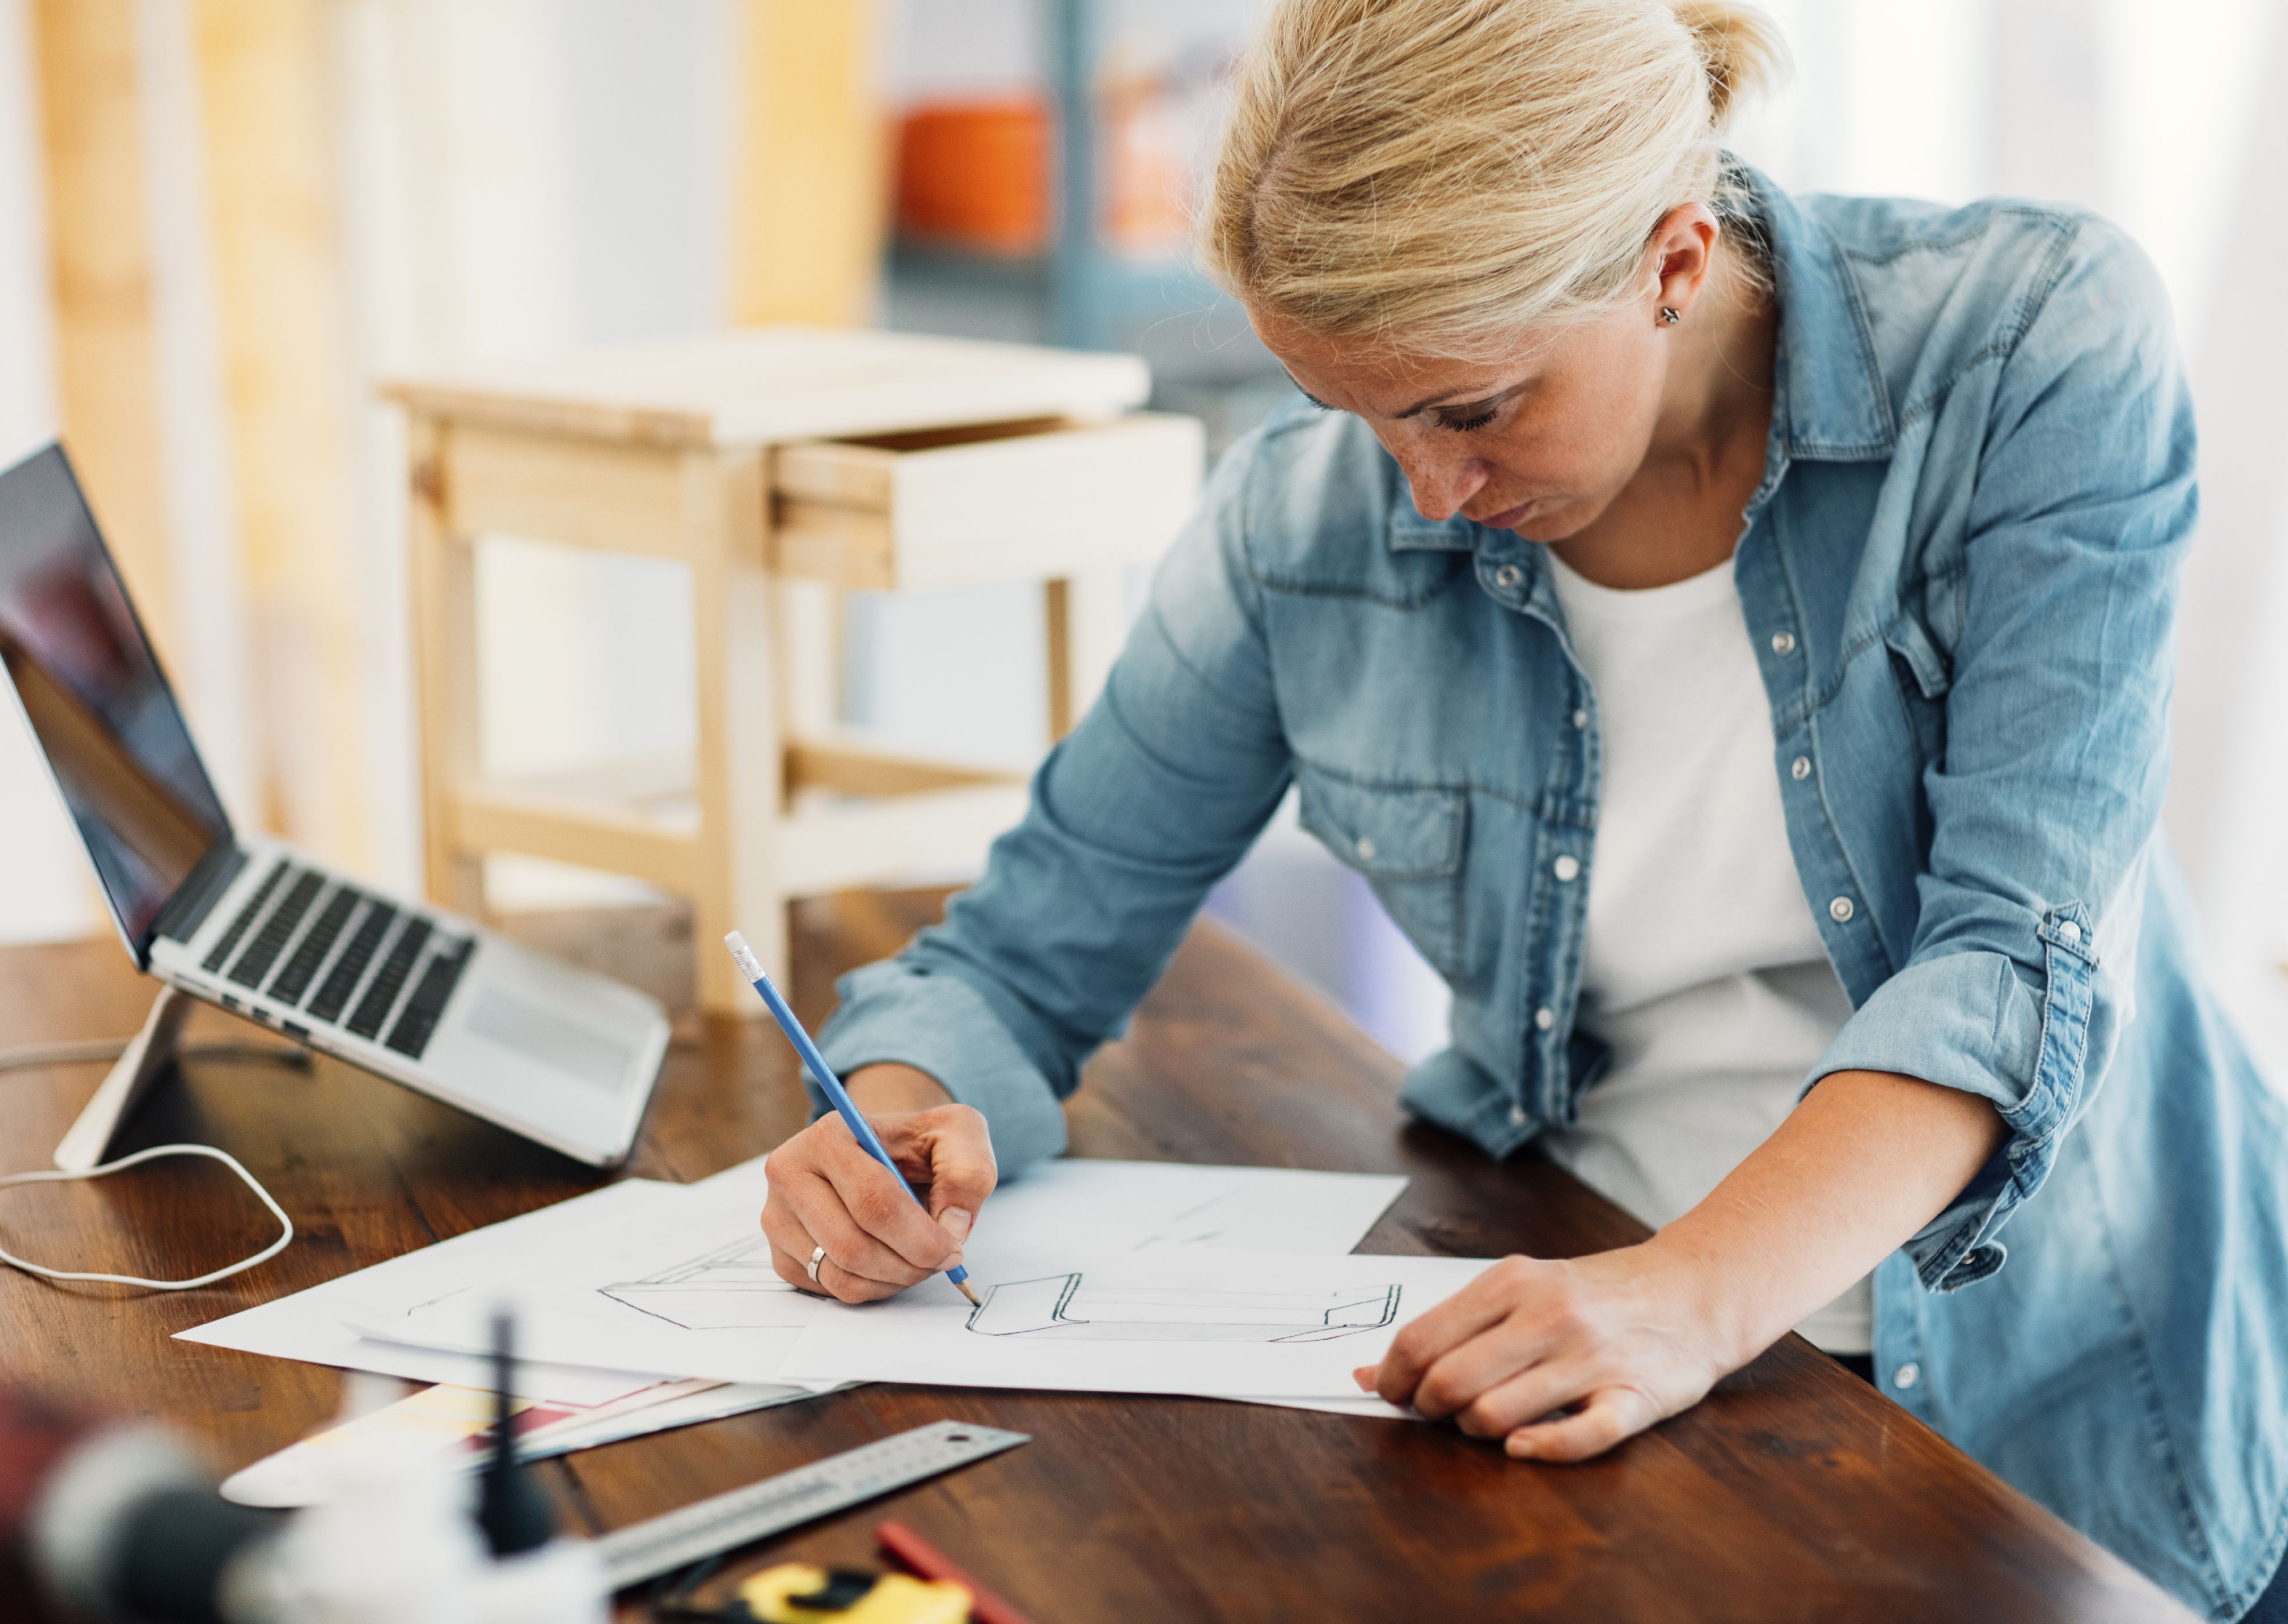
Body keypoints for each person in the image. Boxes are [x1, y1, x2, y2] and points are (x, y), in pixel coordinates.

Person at [756, 1, 2288, 1615]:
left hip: (2058, 1400)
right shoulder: (1300, 521)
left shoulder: (2029, 345)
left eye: (1472, 411)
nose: (1419, 495)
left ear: (1673, 261)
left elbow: (2012, 966)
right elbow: (1023, 951)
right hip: (1583, 1342)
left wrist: (1688, 1298)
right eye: (1361, 413)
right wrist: (887, 1119)